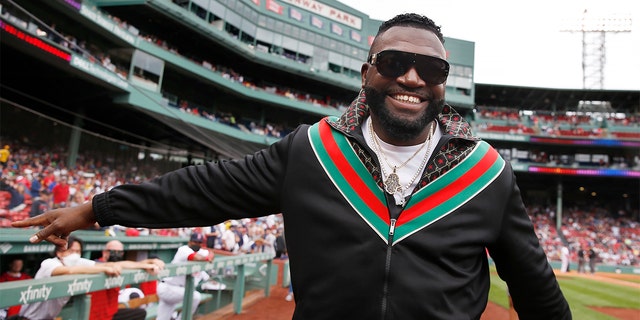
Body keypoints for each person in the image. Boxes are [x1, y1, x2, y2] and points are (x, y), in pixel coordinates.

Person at [13, 13, 572, 319]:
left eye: (429, 67)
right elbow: (203, 191)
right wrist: (97, 208)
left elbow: (534, 285)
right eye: (395, 62)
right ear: (366, 73)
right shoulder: (312, 152)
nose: (411, 78)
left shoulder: (486, 173)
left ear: (444, 79)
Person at [18, 236, 123, 320]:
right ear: (59, 252)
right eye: (71, 251)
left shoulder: (78, 262)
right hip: (28, 317)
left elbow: (102, 265)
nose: (75, 255)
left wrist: (135, 265)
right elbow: (68, 271)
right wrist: (104, 269)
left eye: (78, 251)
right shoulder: (49, 263)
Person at [89, 239, 165, 320]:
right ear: (104, 252)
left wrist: (151, 262)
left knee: (140, 313)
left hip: (111, 313)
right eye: (113, 251)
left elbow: (126, 264)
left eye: (119, 252)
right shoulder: (97, 264)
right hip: (95, 315)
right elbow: (108, 265)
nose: (116, 254)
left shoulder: (119, 266)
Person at [156, 232, 212, 320]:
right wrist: (208, 258)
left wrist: (209, 256)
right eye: (195, 242)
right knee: (195, 297)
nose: (197, 244)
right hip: (168, 287)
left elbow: (210, 254)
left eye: (199, 242)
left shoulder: (202, 252)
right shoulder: (183, 250)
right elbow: (196, 257)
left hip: (177, 290)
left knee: (162, 318)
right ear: (189, 242)